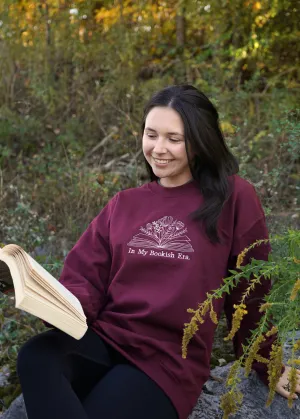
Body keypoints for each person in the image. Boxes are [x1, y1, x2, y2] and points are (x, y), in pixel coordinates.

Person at [17, 85, 300, 419]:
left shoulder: (233, 198)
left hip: (165, 360)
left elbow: (250, 290)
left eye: (173, 139)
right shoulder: (125, 203)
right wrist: (44, 300)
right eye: (151, 135)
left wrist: (266, 361)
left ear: (199, 141)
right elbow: (84, 278)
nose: (158, 149)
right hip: (105, 339)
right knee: (36, 356)